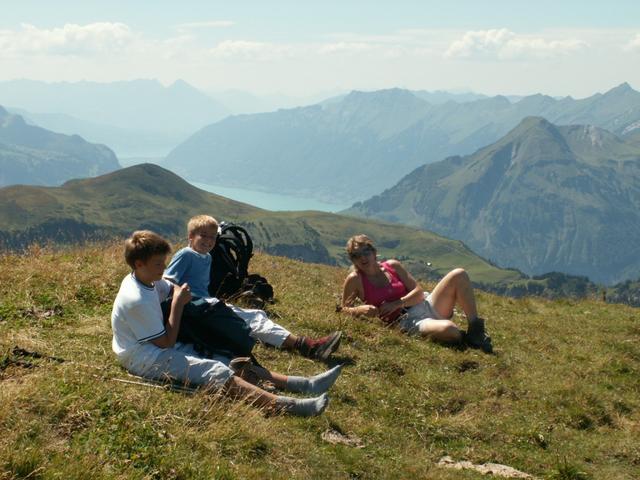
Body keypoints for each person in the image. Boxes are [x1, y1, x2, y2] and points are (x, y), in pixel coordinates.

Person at [111, 230, 342, 416]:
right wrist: (178, 305)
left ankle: (305, 384)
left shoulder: (148, 280)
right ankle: (283, 405)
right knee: (217, 370)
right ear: (139, 264)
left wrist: (182, 295)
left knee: (227, 358)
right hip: (142, 356)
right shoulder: (136, 299)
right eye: (158, 264)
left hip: (152, 344)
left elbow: (171, 288)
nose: (163, 269)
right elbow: (165, 342)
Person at [164, 215, 342, 360]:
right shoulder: (186, 254)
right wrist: (185, 300)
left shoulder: (206, 257)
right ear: (191, 236)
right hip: (197, 306)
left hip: (205, 303)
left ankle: (293, 342)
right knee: (252, 318)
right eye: (203, 235)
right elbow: (167, 281)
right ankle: (306, 346)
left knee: (256, 315)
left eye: (212, 237)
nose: (208, 241)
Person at [340, 234, 492, 353]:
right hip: (406, 322)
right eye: (356, 255)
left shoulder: (392, 266)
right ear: (352, 260)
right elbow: (343, 309)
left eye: (365, 251)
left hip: (425, 304)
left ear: (374, 252)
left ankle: (475, 331)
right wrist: (360, 310)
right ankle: (461, 338)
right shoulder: (355, 279)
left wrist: (397, 303)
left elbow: (418, 292)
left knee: (459, 274)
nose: (362, 258)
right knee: (450, 330)